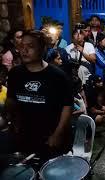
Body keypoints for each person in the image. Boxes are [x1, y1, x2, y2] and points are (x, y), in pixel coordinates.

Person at [3, 30, 73, 160]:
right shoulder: (15, 74)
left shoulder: (57, 76)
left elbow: (67, 106)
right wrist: (11, 120)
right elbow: (11, 100)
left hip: (50, 138)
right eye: (21, 46)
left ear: (42, 48)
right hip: (25, 136)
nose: (24, 50)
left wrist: (58, 134)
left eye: (30, 46)